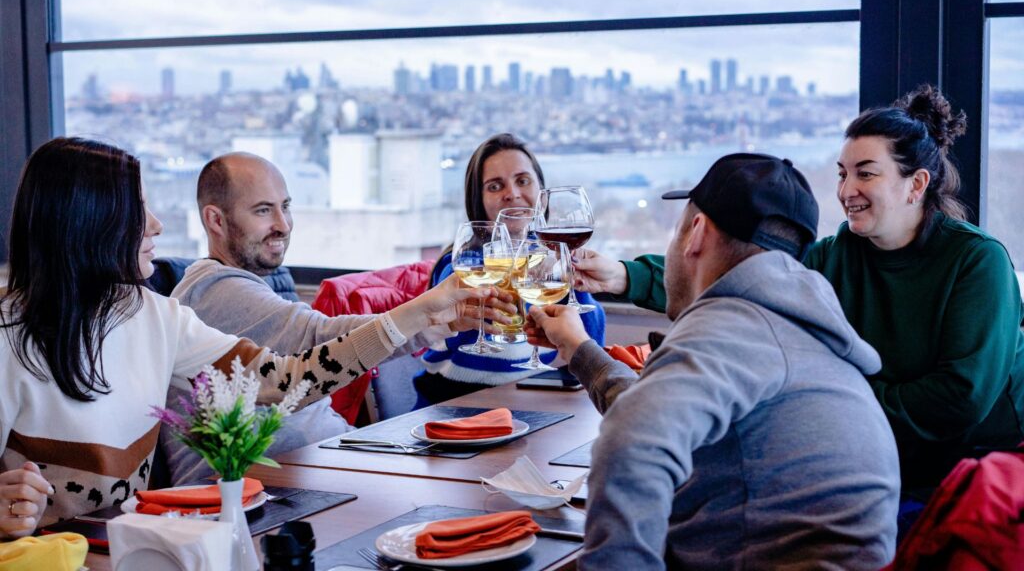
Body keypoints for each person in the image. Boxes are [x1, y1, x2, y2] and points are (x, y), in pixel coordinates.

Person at [0, 137, 493, 538]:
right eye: (137, 209)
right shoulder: (6, 338)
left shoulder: (155, 315)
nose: (156, 224)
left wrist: (417, 315)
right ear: (86, 223)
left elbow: (287, 377)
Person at [574, 85, 1024, 490]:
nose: (847, 189)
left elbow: (958, 400)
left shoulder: (978, 261)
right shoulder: (836, 254)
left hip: (979, 477)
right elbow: (743, 273)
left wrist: (838, 400)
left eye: (865, 173)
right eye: (842, 173)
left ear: (916, 184)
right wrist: (624, 276)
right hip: (877, 460)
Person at [526, 153, 900, 569]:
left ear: (697, 232)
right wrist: (580, 351)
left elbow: (630, 438)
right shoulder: (797, 326)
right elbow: (649, 414)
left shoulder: (732, 322)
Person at [159, 153, 511, 486]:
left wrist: (438, 324)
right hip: (257, 490)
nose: (282, 225)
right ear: (215, 220)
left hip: (317, 468)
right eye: (263, 211)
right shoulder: (214, 289)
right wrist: (427, 311)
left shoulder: (248, 285)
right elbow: (322, 340)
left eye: (286, 207)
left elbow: (333, 350)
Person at [415, 133, 605, 406]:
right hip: (453, 410)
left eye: (523, 181)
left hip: (532, 407)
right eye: (495, 186)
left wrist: (574, 277)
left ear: (541, 191)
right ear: (478, 199)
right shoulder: (465, 263)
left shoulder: (549, 260)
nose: (512, 194)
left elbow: (593, 342)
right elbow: (469, 327)